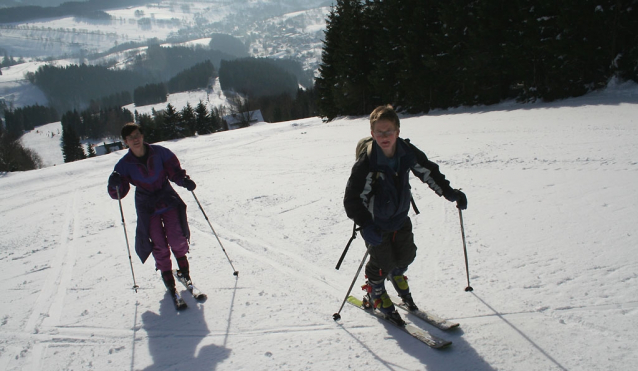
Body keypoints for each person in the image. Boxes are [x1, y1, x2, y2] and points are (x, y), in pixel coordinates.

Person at [344, 105, 467, 324]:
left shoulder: (407, 152)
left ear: (397, 131)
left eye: (388, 131)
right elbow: (352, 199)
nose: (384, 136)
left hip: (400, 218)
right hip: (376, 223)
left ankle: (396, 275)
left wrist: (449, 192)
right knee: (382, 263)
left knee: (407, 255)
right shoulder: (367, 163)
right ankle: (375, 289)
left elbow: (429, 171)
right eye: (379, 132)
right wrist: (365, 224)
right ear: (372, 134)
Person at [107, 122, 198, 296]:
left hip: (167, 197)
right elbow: (119, 193)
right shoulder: (124, 165)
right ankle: (167, 277)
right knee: (158, 243)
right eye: (130, 137)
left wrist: (184, 180)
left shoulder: (160, 152)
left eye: (137, 135)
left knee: (177, 236)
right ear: (125, 141)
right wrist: (114, 185)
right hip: (146, 204)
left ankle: (184, 272)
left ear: (142, 136)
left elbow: (174, 171)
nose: (135, 139)